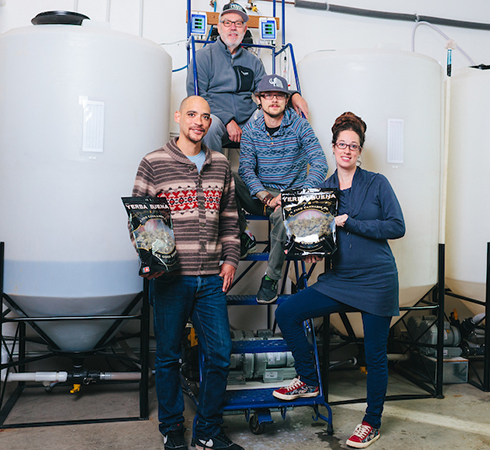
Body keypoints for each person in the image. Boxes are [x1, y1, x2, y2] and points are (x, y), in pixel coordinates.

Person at [271, 112, 405, 449]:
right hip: (340, 278)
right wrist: (313, 250)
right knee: (288, 312)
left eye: (354, 146)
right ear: (333, 148)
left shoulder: (377, 184)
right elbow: (316, 237)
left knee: (374, 356)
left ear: (360, 151)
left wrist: (351, 222)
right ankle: (309, 379)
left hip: (377, 280)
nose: (347, 150)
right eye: (342, 144)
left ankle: (371, 422)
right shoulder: (322, 191)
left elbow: (396, 226)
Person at [131, 96, 243, 450]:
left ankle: (207, 429)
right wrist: (149, 260)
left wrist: (231, 258)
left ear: (210, 124)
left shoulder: (221, 164)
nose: (199, 121)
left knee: (221, 354)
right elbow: (139, 220)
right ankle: (172, 428)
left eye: (205, 117)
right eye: (192, 114)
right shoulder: (153, 163)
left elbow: (229, 218)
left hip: (210, 277)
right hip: (170, 278)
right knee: (167, 356)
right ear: (178, 116)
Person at [237, 74, 327, 304]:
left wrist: (295, 197)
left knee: (282, 215)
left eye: (279, 95)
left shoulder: (299, 125)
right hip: (262, 195)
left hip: (291, 195)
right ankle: (244, 235)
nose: (274, 100)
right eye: (269, 95)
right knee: (225, 175)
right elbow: (247, 169)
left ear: (287, 100)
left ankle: (271, 278)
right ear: (259, 99)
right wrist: (266, 197)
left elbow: (320, 163)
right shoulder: (250, 129)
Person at [187, 2, 309, 155]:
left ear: (244, 29)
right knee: (208, 124)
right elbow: (197, 97)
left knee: (277, 117)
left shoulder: (253, 61)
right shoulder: (203, 57)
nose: (233, 27)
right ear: (219, 28)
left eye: (238, 24)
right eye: (227, 23)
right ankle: (213, 176)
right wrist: (228, 120)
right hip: (217, 121)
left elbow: (267, 91)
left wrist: (293, 96)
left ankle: (272, 175)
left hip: (248, 123)